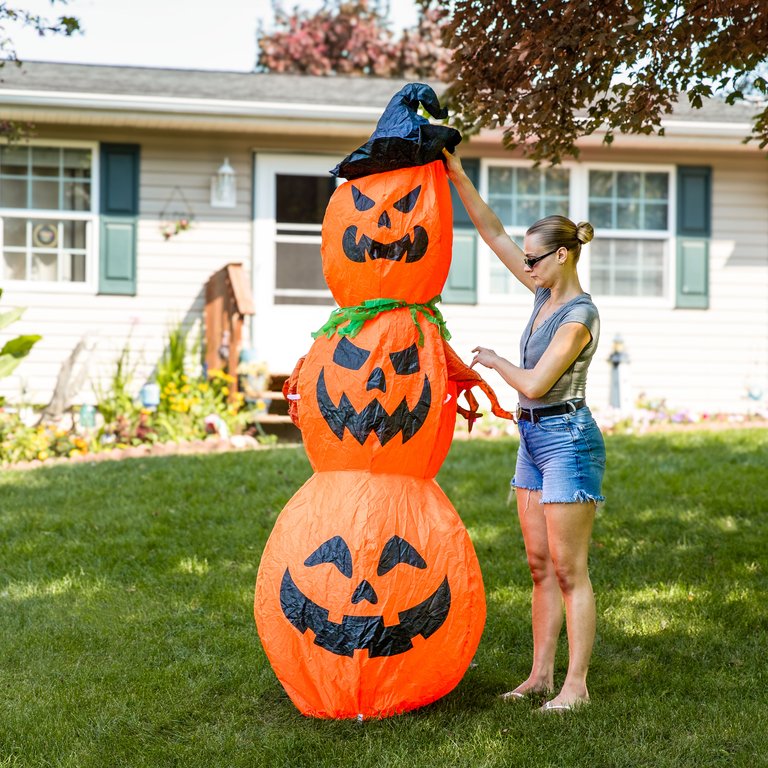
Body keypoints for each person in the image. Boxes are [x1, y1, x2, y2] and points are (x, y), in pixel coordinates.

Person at [442, 148, 606, 713]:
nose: (526, 266)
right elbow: (493, 235)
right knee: (538, 564)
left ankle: (576, 687)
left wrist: (491, 360)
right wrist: (458, 174)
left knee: (568, 569)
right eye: (527, 260)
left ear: (562, 257)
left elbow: (535, 384)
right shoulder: (541, 291)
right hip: (532, 443)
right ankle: (540, 677)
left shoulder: (579, 316)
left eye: (535, 260)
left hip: (568, 441)